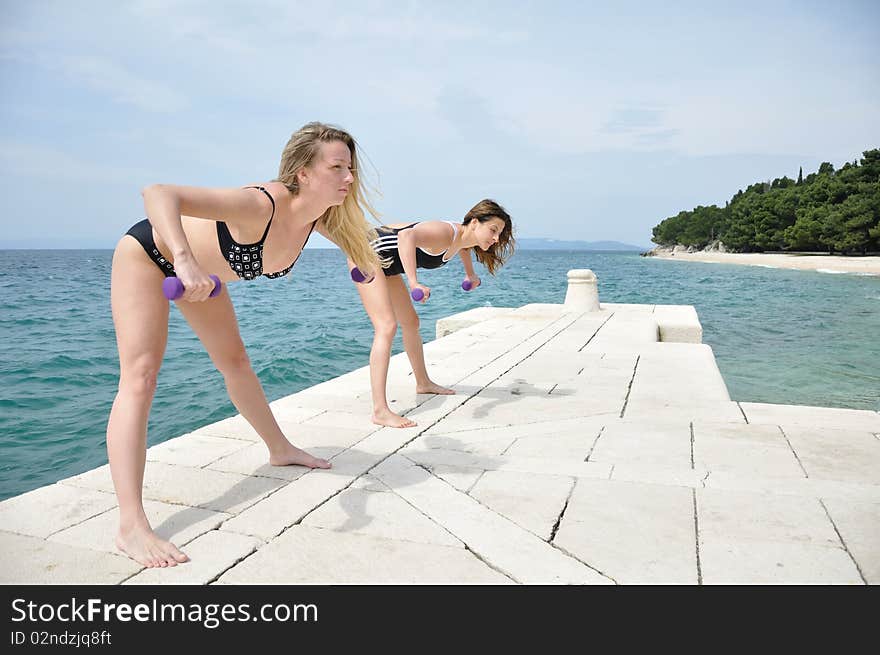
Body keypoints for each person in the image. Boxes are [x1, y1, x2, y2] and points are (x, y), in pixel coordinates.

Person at [108, 122, 383, 568]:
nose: (349, 178)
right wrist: (182, 258)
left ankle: (280, 449)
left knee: (236, 361)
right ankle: (130, 525)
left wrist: (361, 261)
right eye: (338, 167)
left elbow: (356, 242)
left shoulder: (317, 216)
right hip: (151, 256)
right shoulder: (260, 204)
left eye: (349, 168)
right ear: (304, 173)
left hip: (204, 278)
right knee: (140, 378)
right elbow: (158, 193)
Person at [349, 199, 514, 428]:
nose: (496, 238)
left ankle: (423, 382)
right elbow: (407, 236)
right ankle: (380, 411)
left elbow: (463, 248)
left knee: (411, 323)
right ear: (475, 223)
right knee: (387, 327)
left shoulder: (462, 239)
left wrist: (470, 275)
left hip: (388, 264)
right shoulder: (445, 231)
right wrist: (414, 283)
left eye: (499, 234)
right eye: (493, 230)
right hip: (367, 254)